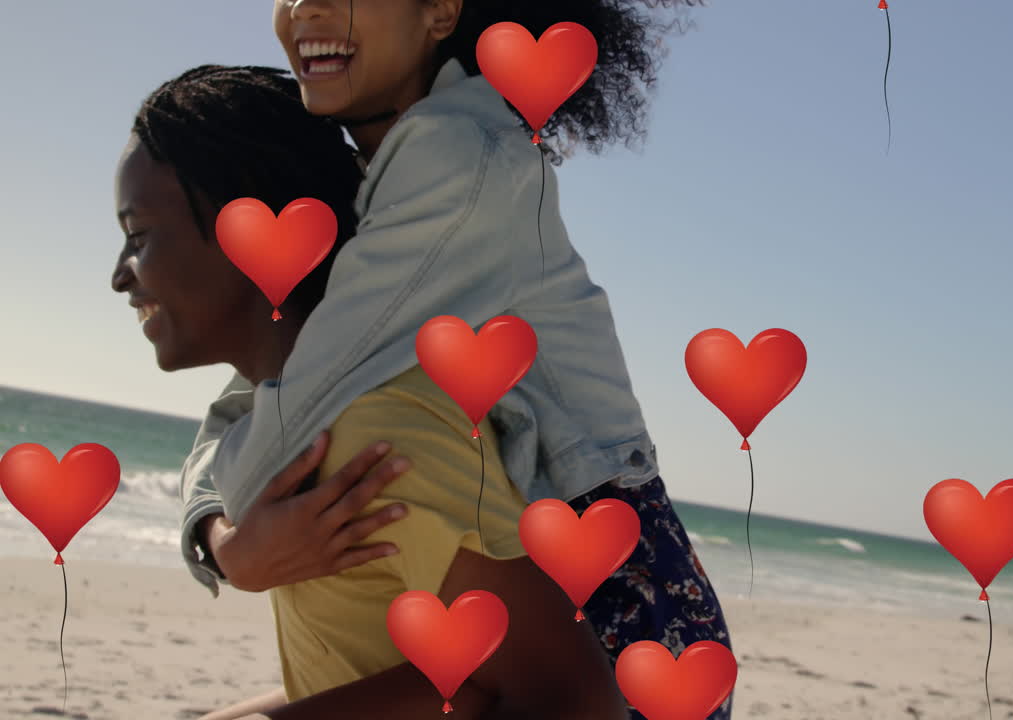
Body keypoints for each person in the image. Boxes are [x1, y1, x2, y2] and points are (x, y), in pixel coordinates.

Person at [179, 1, 733, 718]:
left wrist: (233, 543)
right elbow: (270, 388)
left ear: (441, 10)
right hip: (523, 588)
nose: (306, 7)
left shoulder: (457, 154)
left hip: (606, 609)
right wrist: (217, 534)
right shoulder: (385, 170)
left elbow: (294, 406)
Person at [115, 64, 630, 719]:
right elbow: (388, 677)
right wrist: (222, 543)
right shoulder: (291, 416)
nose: (119, 276)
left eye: (137, 235)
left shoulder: (378, 424)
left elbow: (570, 700)